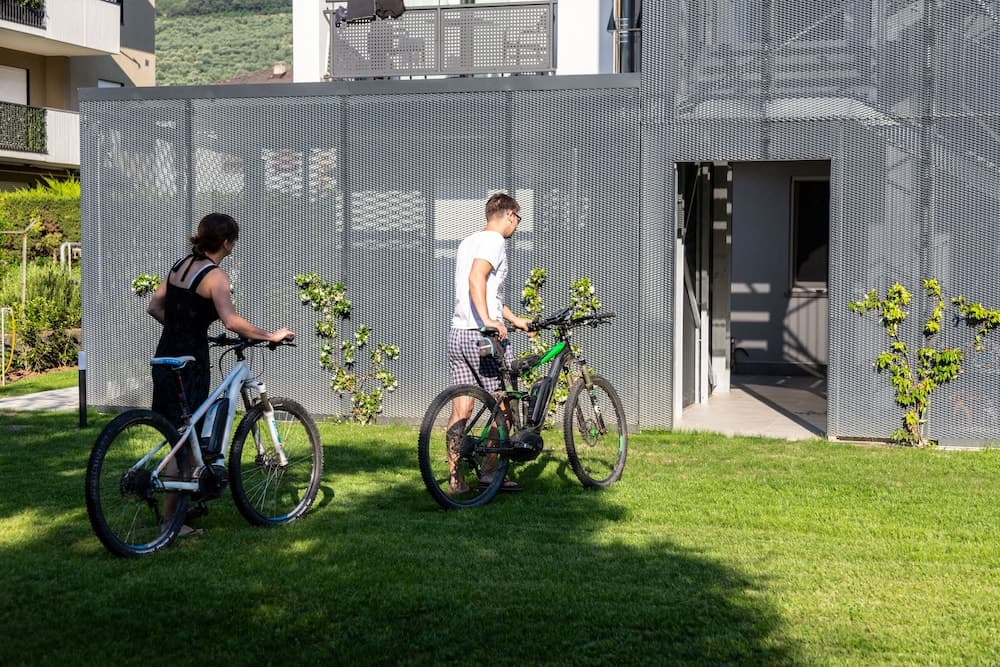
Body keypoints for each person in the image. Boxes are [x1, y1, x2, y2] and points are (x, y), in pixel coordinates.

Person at [147, 212, 294, 534]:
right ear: (227, 242)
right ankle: (170, 524)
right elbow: (230, 320)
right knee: (185, 444)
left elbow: (154, 307)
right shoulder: (216, 277)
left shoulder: (179, 267)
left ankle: (182, 507)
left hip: (165, 356)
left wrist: (186, 328)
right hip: (190, 363)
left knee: (179, 436)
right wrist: (270, 335)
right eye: (234, 240)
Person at [447, 193, 531, 494]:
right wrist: (487, 321)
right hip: (483, 338)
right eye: (518, 218)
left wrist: (512, 318)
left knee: (461, 410)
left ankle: (456, 481)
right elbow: (477, 279)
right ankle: (489, 472)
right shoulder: (495, 241)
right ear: (509, 214)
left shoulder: (468, 241)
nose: (517, 225)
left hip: (459, 334)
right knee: (503, 406)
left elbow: (486, 292)